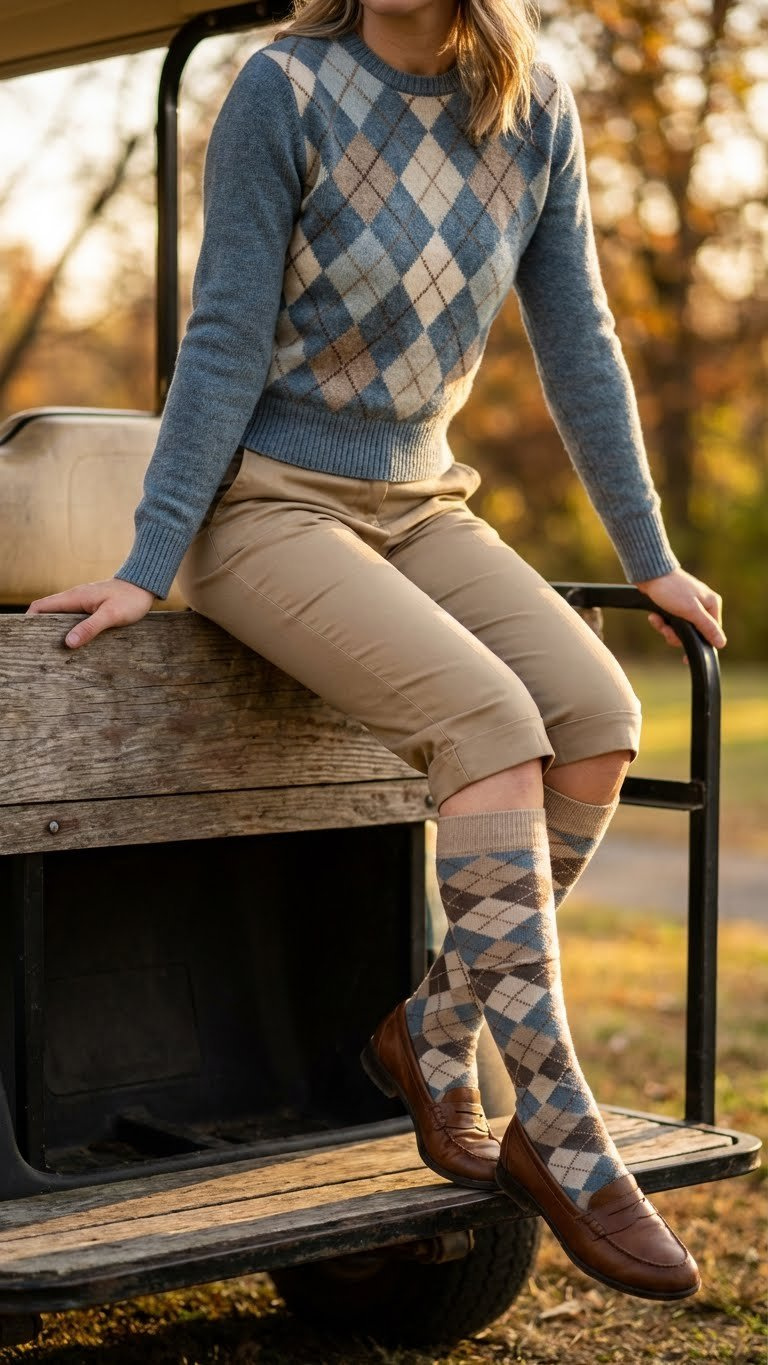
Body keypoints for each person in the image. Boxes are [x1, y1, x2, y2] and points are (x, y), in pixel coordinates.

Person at [27, 0, 724, 1302]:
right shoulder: (281, 91)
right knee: (492, 725)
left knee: (596, 710)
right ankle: (559, 1125)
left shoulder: (531, 109)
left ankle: (432, 1025)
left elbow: (578, 341)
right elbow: (225, 337)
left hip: (420, 502)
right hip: (263, 511)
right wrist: (148, 557)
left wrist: (647, 558)